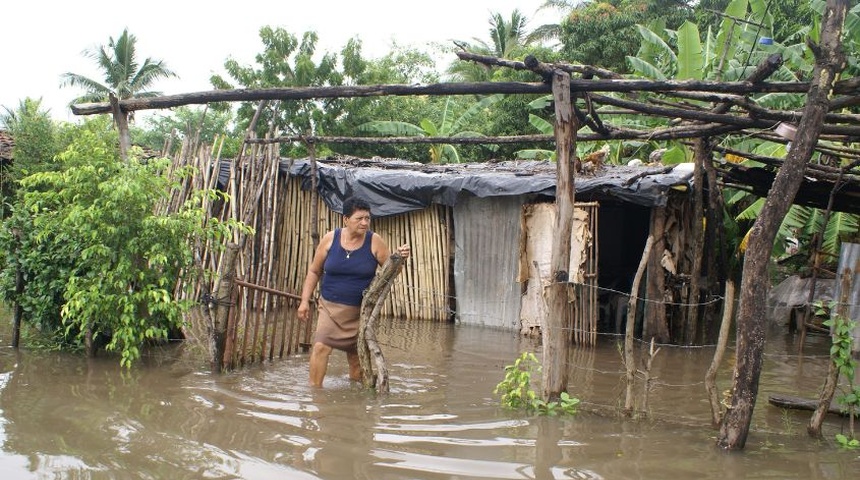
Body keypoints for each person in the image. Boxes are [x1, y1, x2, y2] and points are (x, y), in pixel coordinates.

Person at [297, 196, 410, 387]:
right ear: (345, 219)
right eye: (359, 218)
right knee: (320, 347)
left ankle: (356, 399)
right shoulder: (330, 239)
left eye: (367, 218)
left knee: (356, 358)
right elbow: (314, 271)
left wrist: (399, 258)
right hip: (329, 309)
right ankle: (315, 394)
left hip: (360, 313)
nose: (365, 223)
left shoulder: (375, 241)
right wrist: (304, 301)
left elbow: (391, 272)